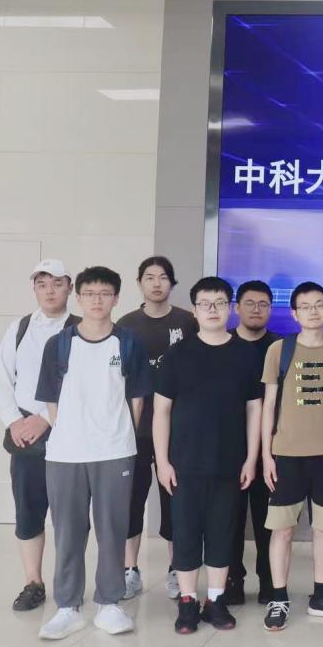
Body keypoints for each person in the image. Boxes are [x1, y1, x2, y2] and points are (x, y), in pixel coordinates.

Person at [35, 266, 153, 640]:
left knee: (112, 528)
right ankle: (67, 607)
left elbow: (137, 400)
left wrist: (117, 435)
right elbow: (51, 400)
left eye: (104, 294)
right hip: (65, 453)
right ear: (78, 297)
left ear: (116, 298)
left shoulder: (129, 343)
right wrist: (71, 433)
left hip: (115, 450)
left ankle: (109, 603)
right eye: (89, 294)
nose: (97, 300)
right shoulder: (59, 344)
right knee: (68, 531)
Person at [153, 277, 262, 634]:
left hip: (230, 462)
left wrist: (251, 459)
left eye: (219, 303)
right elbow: (161, 412)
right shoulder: (177, 355)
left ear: (230, 308)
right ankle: (187, 601)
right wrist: (162, 462)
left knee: (222, 532)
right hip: (183, 463)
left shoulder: (246, 354)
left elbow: (254, 410)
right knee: (185, 533)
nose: (212, 309)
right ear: (195, 309)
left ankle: (215, 600)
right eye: (205, 303)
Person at [259, 281, 323, 631]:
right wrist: (267, 455)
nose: (313, 311)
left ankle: (321, 596)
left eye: (319, 304)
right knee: (282, 530)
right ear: (295, 313)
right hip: (287, 455)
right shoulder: (279, 350)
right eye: (305, 306)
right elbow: (269, 405)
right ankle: (279, 598)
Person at [0, 259, 80, 612]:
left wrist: (46, 419)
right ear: (34, 289)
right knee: (28, 510)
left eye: (57, 283)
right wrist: (15, 422)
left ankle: (69, 585)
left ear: (69, 287)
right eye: (42, 284)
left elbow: (83, 383)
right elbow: (1, 378)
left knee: (70, 514)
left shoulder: (81, 329)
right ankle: (33, 582)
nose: (49, 291)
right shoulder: (20, 327)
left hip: (69, 432)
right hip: (25, 434)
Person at [116, 256, 198, 601]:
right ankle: (129, 570)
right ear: (139, 283)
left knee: (176, 501)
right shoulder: (125, 325)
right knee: (131, 501)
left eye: (163, 277)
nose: (156, 284)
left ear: (172, 284)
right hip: (133, 429)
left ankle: (177, 569)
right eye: (149, 277)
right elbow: (116, 376)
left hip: (177, 429)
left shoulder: (188, 322)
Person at [225, 280, 281, 606]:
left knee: (267, 520)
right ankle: (232, 579)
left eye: (263, 304)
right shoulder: (224, 344)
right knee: (229, 519)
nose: (256, 309)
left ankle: (269, 581)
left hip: (272, 449)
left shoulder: (280, 347)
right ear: (237, 308)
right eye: (250, 303)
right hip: (231, 447)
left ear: (271, 309)